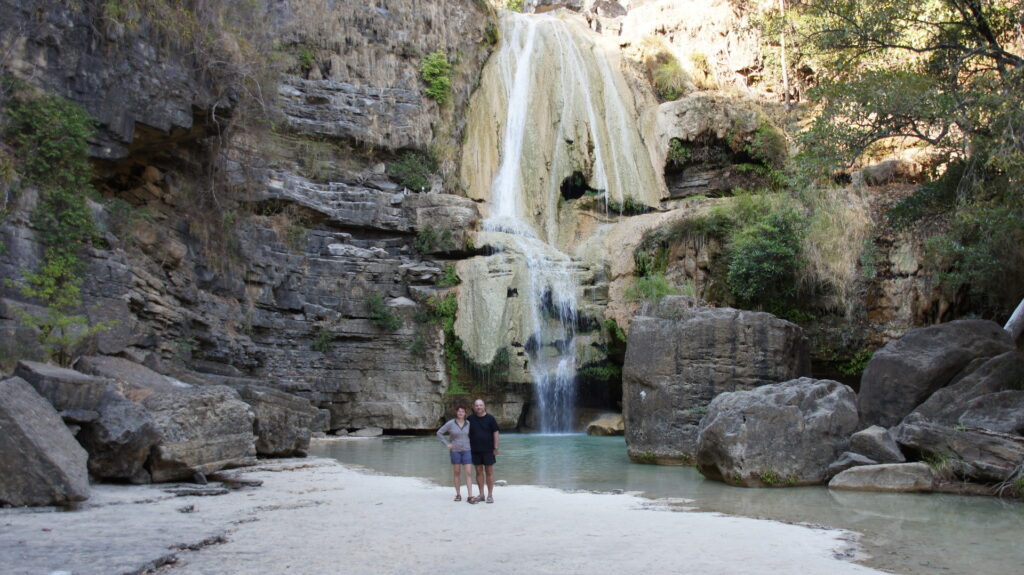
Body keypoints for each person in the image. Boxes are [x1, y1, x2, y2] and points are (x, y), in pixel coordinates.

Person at [436, 406, 474, 502]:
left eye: (463, 411)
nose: (461, 413)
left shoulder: (468, 423)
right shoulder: (451, 423)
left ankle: (470, 496)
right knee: (457, 473)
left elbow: (473, 435)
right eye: (459, 411)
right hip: (455, 451)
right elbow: (439, 433)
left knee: (468, 473)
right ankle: (458, 494)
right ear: (456, 412)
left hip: (467, 450)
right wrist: (447, 444)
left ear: (465, 413)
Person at [467, 398, 501, 504]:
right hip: (475, 450)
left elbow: (496, 433)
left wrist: (496, 447)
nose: (478, 407)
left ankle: (490, 495)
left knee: (489, 472)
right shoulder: (470, 419)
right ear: (474, 407)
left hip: (488, 450)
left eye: (480, 405)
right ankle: (481, 494)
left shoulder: (490, 419)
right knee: (478, 472)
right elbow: (464, 433)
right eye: (476, 405)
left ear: (484, 406)